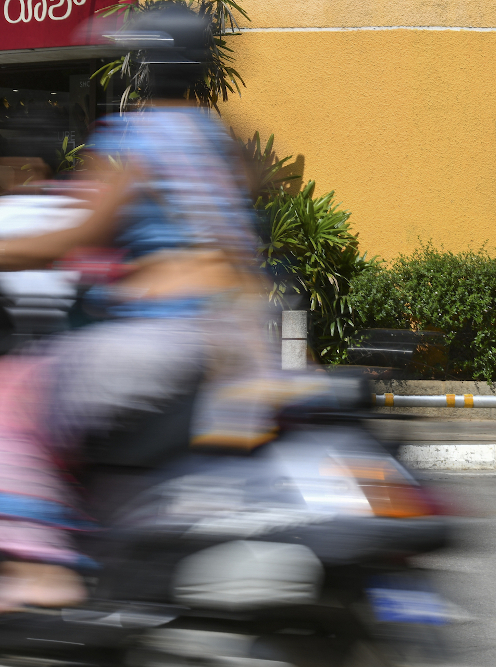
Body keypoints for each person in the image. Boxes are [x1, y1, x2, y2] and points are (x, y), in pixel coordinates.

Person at [0, 4, 321, 611]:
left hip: (164, 340)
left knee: (11, 399)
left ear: (143, 64)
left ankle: (40, 562)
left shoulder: (136, 138)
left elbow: (73, 237)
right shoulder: (220, 138)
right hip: (239, 341)